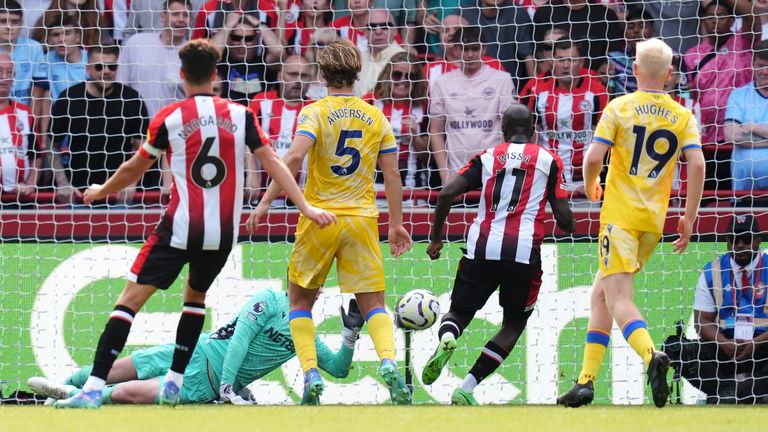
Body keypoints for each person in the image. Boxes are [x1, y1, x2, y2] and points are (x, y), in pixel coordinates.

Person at [53, 38, 335, 409]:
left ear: (182, 74)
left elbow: (135, 167)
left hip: (181, 226)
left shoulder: (170, 117)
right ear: (216, 75)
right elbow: (273, 162)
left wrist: (101, 190)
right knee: (195, 299)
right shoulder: (241, 115)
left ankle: (91, 389)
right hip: (222, 233)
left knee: (127, 302)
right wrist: (306, 207)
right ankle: (173, 380)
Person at [245, 39, 413, 405]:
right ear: (357, 73)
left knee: (300, 302)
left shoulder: (314, 113)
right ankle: (387, 362)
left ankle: (310, 376)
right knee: (374, 305)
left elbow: (292, 158)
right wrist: (396, 224)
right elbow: (393, 175)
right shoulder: (377, 116)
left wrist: (264, 203)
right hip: (362, 221)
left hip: (320, 219)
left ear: (322, 75)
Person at [557, 38, 706, 409]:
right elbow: (698, 165)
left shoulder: (619, 107)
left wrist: (591, 184)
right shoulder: (683, 115)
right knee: (600, 295)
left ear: (635, 70)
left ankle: (651, 355)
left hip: (619, 219)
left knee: (619, 298)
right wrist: (688, 218)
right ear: (670, 74)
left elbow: (594, 157)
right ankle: (585, 382)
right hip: (651, 225)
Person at [422, 104, 575, 405]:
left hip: (481, 246)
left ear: (503, 131)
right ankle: (466, 386)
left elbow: (446, 194)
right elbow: (565, 220)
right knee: (514, 324)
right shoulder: (549, 160)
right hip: (523, 252)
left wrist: (436, 239)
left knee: (460, 312)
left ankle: (448, 337)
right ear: (532, 130)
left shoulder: (488, 158)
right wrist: (566, 218)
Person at [29, 289, 363, 405]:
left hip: (202, 381)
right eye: (310, 284)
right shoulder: (270, 300)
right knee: (114, 369)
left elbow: (337, 368)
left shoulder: (306, 334)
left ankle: (71, 400)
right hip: (196, 350)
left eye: (318, 287)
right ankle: (61, 387)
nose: (315, 291)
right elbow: (240, 339)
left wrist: (350, 337)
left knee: (125, 393)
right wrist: (230, 385)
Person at [663, 215, 768, 404]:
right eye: (735, 239)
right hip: (726, 350)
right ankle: (745, 391)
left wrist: (755, 343)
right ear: (727, 241)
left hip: (763, 347)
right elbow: (702, 322)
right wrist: (724, 343)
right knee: (677, 349)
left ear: (758, 240)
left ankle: (727, 393)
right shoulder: (712, 271)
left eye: (746, 239)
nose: (740, 244)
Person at [50, 45, 149, 205]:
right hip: (79, 194)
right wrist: (62, 182)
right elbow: (51, 144)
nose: (107, 71)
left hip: (119, 195)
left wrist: (131, 182)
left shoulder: (132, 99)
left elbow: (143, 148)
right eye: (99, 67)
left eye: (112, 66)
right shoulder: (69, 98)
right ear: (88, 69)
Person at [428, 25, 516, 186]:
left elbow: (509, 129)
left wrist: (502, 169)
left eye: (474, 49)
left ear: (484, 49)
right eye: (464, 49)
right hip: (456, 173)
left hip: (493, 171)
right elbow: (435, 131)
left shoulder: (501, 79)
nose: (469, 55)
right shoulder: (442, 82)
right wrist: (445, 174)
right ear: (455, 50)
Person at [526, 39, 608, 193]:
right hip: (548, 179)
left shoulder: (597, 92)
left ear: (582, 62)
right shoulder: (539, 93)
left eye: (571, 60)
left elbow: (602, 140)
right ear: (553, 62)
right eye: (560, 59)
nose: (565, 65)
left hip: (584, 181)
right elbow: (533, 139)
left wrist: (594, 178)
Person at [683, 0, 759, 146]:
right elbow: (691, 94)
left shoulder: (744, 41)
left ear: (732, 21)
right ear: (704, 21)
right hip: (706, 132)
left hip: (741, 129)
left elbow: (751, 15)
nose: (715, 21)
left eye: (721, 16)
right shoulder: (691, 55)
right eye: (710, 17)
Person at [117, 0, 190, 117]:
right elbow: (121, 87)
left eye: (186, 15)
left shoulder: (193, 54)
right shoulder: (136, 43)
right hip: (138, 127)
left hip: (174, 130)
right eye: (175, 14)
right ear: (163, 16)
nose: (181, 19)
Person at [369, 52, 428, 188]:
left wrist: (416, 138)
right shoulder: (370, 102)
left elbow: (428, 157)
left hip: (412, 181)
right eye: (397, 75)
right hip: (374, 181)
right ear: (388, 75)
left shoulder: (424, 107)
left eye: (410, 76)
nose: (403, 80)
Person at [724, 40, 768, 193]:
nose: (765, 72)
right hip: (744, 192)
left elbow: (740, 134)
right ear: (753, 64)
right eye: (760, 65)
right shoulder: (738, 95)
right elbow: (731, 135)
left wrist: (753, 127)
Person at [212, 12, 281, 105]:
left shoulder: (263, 63)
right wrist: (228, 26)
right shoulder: (223, 61)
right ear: (228, 39)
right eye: (236, 38)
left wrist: (259, 25)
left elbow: (278, 52)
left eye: (248, 39)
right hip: (229, 115)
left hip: (257, 116)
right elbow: (210, 52)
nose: (242, 44)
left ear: (256, 39)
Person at [0, 51, 37, 201]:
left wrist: (31, 184)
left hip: (21, 199)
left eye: (9, 72)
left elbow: (36, 155)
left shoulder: (25, 113)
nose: (4, 77)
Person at [352, 9, 405, 97]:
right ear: (365, 32)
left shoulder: (404, 59)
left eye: (384, 26)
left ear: (395, 31)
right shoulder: (357, 59)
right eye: (372, 27)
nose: (378, 31)